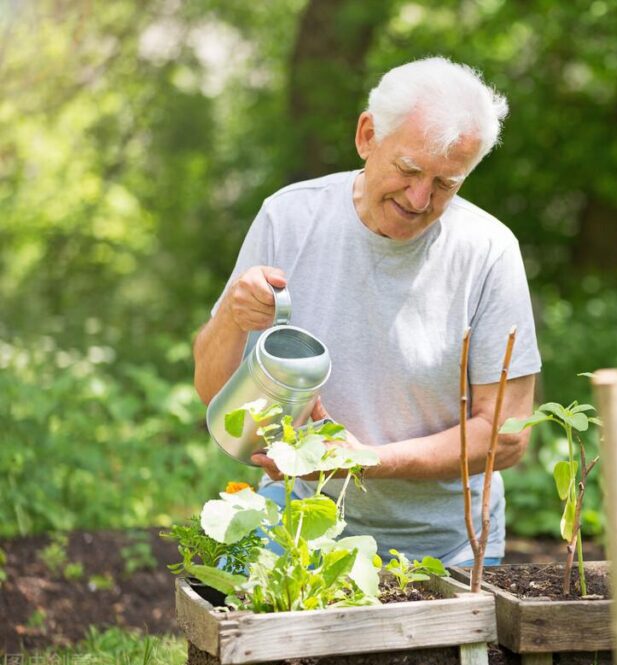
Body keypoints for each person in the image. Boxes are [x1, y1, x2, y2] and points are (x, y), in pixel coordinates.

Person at [193, 57, 541, 566]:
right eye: (409, 170)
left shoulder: (487, 251)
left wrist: (367, 461)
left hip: (444, 547)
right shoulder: (289, 218)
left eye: (447, 184)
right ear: (367, 136)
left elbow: (507, 438)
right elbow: (213, 396)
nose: (420, 198)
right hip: (294, 526)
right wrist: (231, 317)